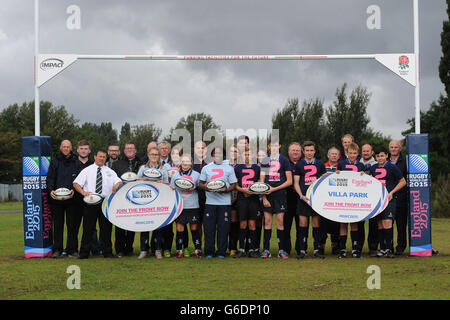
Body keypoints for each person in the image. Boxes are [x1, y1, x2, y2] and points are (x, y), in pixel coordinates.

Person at [73, 150, 122, 259]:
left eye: (104, 157)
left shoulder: (109, 171)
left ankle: (107, 252)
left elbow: (118, 181)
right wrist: (83, 192)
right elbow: (76, 183)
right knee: (88, 228)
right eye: (100, 156)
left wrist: (117, 185)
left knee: (106, 228)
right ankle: (84, 253)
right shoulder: (87, 170)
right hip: (90, 202)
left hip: (105, 202)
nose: (102, 159)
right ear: (95, 157)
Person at [199, 146, 237, 259]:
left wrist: (225, 190)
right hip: (210, 203)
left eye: (220, 153)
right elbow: (200, 184)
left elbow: (234, 185)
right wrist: (207, 187)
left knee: (223, 228)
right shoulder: (206, 168)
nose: (218, 155)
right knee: (209, 228)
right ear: (212, 155)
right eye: (216, 153)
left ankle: (221, 252)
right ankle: (209, 251)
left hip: (225, 203)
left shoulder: (229, 169)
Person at [369, 146, 406, 258]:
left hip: (389, 200)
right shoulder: (373, 168)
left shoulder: (392, 167)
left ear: (386, 156)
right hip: (377, 201)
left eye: (382, 155)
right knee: (380, 224)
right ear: (375, 157)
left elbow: (403, 181)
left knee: (387, 223)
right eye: (378, 156)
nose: (380, 158)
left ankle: (390, 249)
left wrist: (392, 192)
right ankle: (382, 249)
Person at [293, 141, 327, 259]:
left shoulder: (320, 164)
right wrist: (301, 196)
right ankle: (302, 250)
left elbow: (324, 181)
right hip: (303, 199)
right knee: (303, 224)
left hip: (315, 199)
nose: (309, 153)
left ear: (314, 151)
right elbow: (296, 183)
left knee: (316, 224)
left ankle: (317, 250)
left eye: (311, 150)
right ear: (304, 151)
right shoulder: (299, 165)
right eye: (307, 150)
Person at [259, 139, 292, 260]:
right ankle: (266, 250)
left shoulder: (284, 160)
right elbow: (262, 180)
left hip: (280, 195)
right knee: (267, 222)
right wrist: (263, 197)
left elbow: (289, 181)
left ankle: (281, 250)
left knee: (280, 222)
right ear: (268, 146)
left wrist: (274, 189)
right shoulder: (265, 160)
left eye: (275, 145)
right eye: (271, 145)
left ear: (279, 145)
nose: (273, 147)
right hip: (267, 196)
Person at [46, 140, 79, 258]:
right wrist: (50, 190)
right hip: (56, 200)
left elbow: (79, 180)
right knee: (58, 225)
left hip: (72, 199)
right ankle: (57, 250)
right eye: (64, 147)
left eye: (68, 147)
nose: (66, 148)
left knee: (72, 226)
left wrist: (74, 190)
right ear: (60, 148)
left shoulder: (76, 161)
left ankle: (72, 250)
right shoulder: (55, 161)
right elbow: (50, 178)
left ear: (71, 148)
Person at [136, 147, 170, 259]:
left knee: (158, 226)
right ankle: (143, 250)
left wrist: (162, 182)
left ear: (159, 156)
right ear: (148, 155)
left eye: (156, 154)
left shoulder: (163, 169)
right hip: (145, 200)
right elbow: (136, 182)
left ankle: (157, 250)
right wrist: (144, 180)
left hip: (158, 200)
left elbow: (167, 185)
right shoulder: (142, 168)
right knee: (144, 225)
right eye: (152, 154)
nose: (154, 156)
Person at [110, 142, 142, 257]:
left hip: (135, 199)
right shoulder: (117, 164)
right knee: (120, 224)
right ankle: (119, 249)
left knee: (132, 224)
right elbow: (113, 180)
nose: (129, 150)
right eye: (127, 148)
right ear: (124, 151)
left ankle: (129, 248)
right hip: (120, 199)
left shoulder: (141, 164)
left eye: (131, 148)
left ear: (135, 150)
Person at [336, 142, 365, 258]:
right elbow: (338, 180)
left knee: (354, 224)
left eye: (354, 153)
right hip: (343, 198)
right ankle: (342, 249)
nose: (352, 155)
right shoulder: (341, 164)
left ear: (358, 154)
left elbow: (364, 183)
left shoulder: (361, 166)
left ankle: (355, 249)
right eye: (350, 153)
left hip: (355, 199)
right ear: (346, 153)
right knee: (343, 224)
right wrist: (337, 174)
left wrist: (364, 175)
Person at [170, 155, 202, 258]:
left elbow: (201, 187)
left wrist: (195, 187)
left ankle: (198, 250)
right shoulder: (175, 175)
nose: (185, 163)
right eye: (183, 161)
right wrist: (173, 188)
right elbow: (171, 188)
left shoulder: (196, 175)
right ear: (180, 163)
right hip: (180, 205)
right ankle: (179, 250)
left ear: (191, 163)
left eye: (187, 161)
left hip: (193, 205)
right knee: (180, 229)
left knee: (194, 228)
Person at [234, 146, 261, 258]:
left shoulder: (257, 168)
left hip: (253, 198)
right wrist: (243, 190)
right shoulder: (237, 168)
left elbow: (261, 183)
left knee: (252, 224)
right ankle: (241, 249)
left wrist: (253, 192)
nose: (247, 156)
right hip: (242, 198)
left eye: (250, 154)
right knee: (243, 223)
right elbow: (234, 184)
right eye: (245, 154)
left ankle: (252, 249)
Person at [388, 140, 408, 255]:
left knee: (401, 225)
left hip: (401, 198)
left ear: (400, 149)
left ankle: (400, 248)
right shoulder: (385, 162)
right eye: (392, 147)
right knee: (387, 224)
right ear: (389, 149)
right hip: (388, 199)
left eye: (396, 147)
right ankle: (388, 246)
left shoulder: (405, 161)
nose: (394, 149)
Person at [360, 144, 379, 256]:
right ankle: (359, 247)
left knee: (373, 224)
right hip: (359, 198)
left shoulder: (377, 164)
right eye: (364, 151)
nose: (366, 153)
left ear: (372, 152)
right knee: (359, 224)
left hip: (372, 198)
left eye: (368, 151)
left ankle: (373, 248)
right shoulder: (358, 164)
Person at [284, 142, 302, 256]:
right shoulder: (284, 163)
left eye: (297, 150)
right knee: (286, 225)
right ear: (288, 152)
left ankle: (300, 249)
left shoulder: (304, 163)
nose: (295, 152)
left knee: (301, 225)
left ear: (301, 152)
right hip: (286, 198)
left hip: (301, 198)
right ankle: (286, 249)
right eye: (293, 150)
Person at [323, 146, 341, 254]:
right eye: (332, 154)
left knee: (336, 224)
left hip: (337, 199)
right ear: (328, 155)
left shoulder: (342, 166)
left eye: (336, 154)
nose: (334, 155)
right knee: (323, 223)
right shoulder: (322, 166)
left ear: (339, 156)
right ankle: (321, 246)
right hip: (325, 199)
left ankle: (335, 246)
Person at [228, 144, 239, 257]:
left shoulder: (241, 165)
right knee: (223, 224)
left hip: (238, 198)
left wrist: (234, 197)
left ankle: (233, 247)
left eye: (236, 151)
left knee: (234, 223)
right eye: (232, 151)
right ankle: (222, 247)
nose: (234, 154)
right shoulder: (225, 164)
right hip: (223, 197)